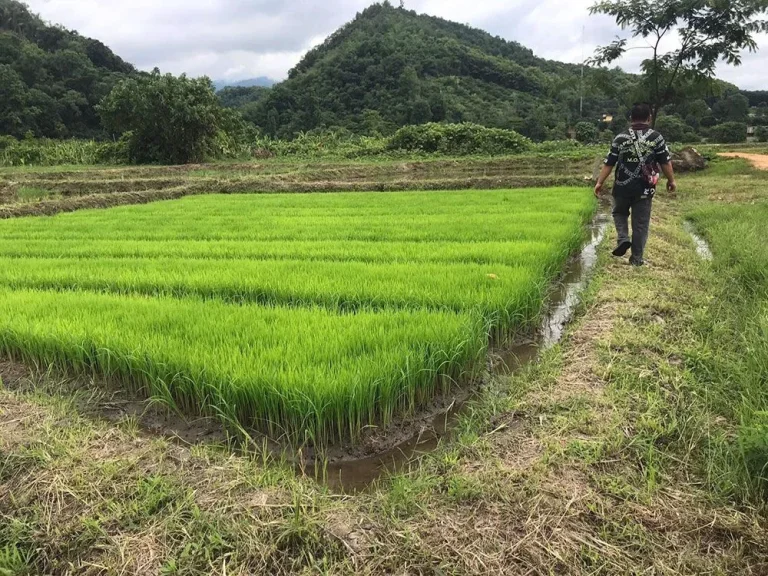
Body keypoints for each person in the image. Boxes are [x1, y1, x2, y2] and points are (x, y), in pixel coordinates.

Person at [594, 103, 677, 266]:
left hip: (622, 186)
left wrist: (599, 182)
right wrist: (671, 180)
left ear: (631, 118)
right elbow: (665, 162)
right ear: (649, 118)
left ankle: (623, 238)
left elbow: (609, 163)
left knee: (619, 213)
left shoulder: (620, 138)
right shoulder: (656, 138)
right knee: (640, 224)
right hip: (644, 188)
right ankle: (636, 259)